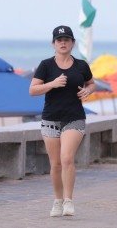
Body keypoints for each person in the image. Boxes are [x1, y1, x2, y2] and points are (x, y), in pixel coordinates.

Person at [29, 25, 96, 217]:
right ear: (53, 44)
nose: (63, 43)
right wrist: (52, 84)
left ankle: (68, 201)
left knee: (67, 158)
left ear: (73, 43)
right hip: (50, 119)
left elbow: (92, 83)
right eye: (59, 40)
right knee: (55, 163)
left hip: (74, 117)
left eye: (67, 39)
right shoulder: (46, 65)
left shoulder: (81, 65)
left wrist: (88, 91)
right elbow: (33, 90)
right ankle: (57, 201)